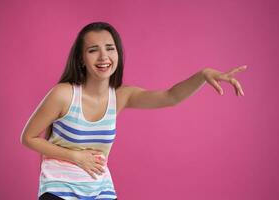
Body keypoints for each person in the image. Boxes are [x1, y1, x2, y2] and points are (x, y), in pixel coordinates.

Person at [20, 22, 247, 200]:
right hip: (59, 188)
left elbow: (170, 97)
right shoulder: (64, 94)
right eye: (93, 50)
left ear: (117, 53)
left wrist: (202, 75)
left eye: (110, 48)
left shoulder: (120, 96)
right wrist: (75, 156)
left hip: (100, 189)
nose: (103, 57)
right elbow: (28, 138)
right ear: (81, 59)